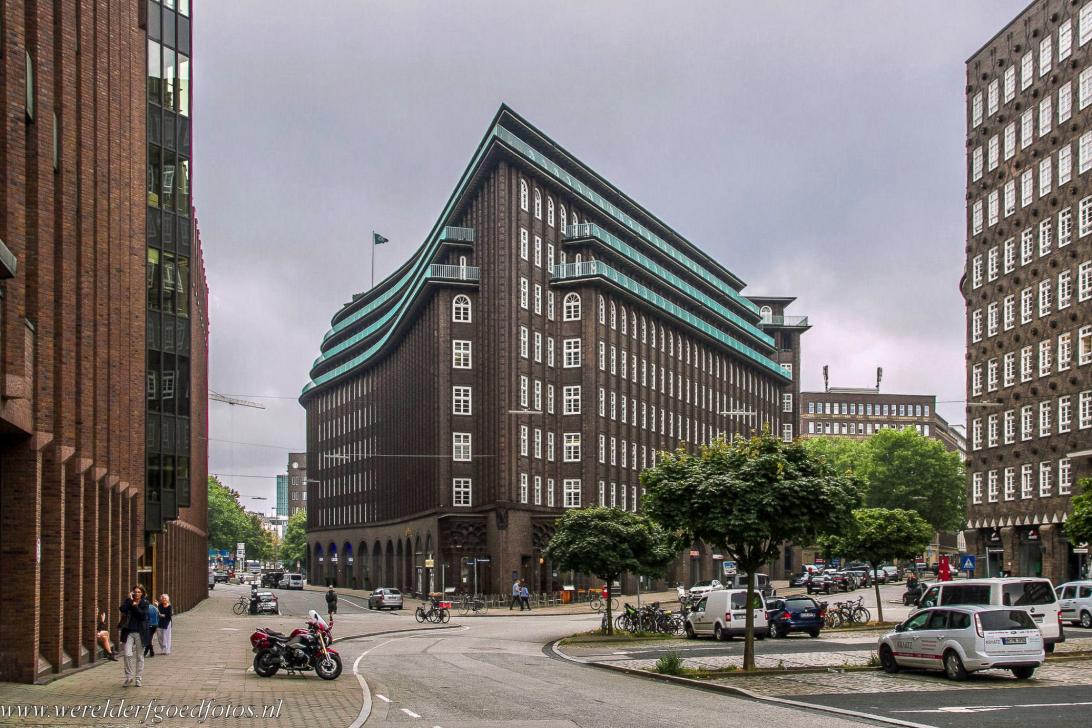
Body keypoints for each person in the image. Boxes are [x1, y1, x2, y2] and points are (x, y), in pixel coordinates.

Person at [119, 584, 150, 687]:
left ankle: (138, 678)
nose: (137, 593)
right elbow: (122, 609)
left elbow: (142, 616)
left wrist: (135, 606)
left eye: (139, 592)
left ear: (142, 593)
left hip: (140, 633)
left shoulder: (145, 603)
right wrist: (129, 600)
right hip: (129, 632)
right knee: (127, 654)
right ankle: (129, 677)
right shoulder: (129, 601)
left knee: (139, 656)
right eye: (135, 592)